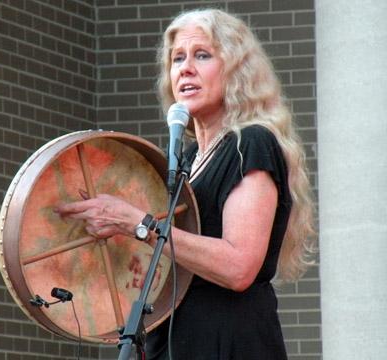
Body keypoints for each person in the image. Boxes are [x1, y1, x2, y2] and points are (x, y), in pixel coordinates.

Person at [54, 8, 315, 360]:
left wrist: (138, 224)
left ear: (237, 70)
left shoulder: (251, 143)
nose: (185, 68)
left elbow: (239, 267)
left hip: (229, 341)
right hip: (176, 338)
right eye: (178, 59)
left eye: (202, 55)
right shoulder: (186, 161)